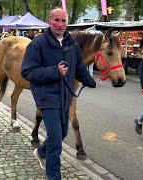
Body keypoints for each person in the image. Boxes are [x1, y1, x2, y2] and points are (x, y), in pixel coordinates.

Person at [21, 7, 96, 180]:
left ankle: (41, 152)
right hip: (47, 98)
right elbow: (28, 72)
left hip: (65, 97)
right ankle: (53, 176)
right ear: (50, 22)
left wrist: (89, 81)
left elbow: (78, 66)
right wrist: (55, 71)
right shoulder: (38, 43)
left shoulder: (71, 43)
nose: (61, 25)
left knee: (61, 133)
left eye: (63, 21)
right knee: (55, 140)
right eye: (57, 20)